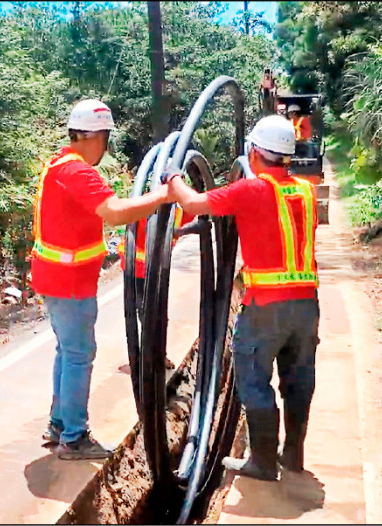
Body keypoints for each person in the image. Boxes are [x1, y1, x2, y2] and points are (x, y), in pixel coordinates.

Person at [164, 114, 319, 481]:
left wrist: (172, 177)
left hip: (265, 307)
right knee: (298, 379)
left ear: (253, 153)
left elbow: (194, 202)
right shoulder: (306, 191)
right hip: (307, 306)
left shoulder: (250, 191)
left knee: (252, 379)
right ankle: (293, 454)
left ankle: (263, 462)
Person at [32, 99, 174, 460]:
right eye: (106, 139)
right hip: (70, 282)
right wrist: (162, 196)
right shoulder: (78, 171)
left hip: (56, 277)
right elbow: (113, 213)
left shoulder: (58, 164)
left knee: (68, 351)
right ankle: (74, 438)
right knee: (79, 354)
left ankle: (60, 424)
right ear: (97, 137)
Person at [116, 206, 197, 372]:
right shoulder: (151, 207)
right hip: (137, 269)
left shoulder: (177, 210)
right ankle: (145, 359)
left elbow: (192, 209)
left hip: (154, 270)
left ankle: (154, 356)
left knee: (155, 315)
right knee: (146, 315)